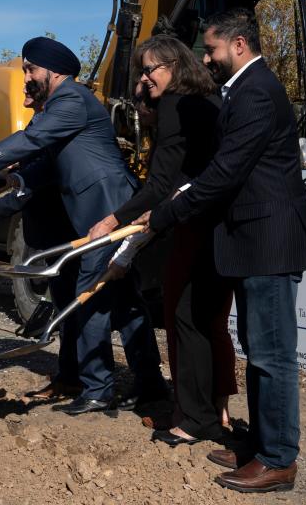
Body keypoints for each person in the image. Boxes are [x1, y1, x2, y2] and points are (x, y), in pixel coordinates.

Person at [135, 8, 306, 493]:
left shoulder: (257, 91)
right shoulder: (239, 92)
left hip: (270, 241)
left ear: (239, 45)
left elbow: (224, 173)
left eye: (213, 49)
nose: (207, 58)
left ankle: (279, 459)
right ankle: (260, 445)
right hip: (251, 241)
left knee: (273, 355)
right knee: (259, 349)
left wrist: (162, 215)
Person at [0, 36, 166, 415]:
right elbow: (45, 164)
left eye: (31, 69)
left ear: (54, 72)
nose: (26, 76)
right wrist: (16, 180)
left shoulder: (71, 100)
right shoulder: (58, 106)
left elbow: (32, 140)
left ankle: (98, 389)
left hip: (107, 210)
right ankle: (146, 385)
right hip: (92, 214)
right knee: (121, 302)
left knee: (89, 298)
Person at [88, 34, 235, 447]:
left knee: (184, 319)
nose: (146, 79)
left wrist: (113, 219)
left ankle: (190, 418)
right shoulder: (210, 99)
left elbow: (161, 184)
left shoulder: (176, 104)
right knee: (209, 322)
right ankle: (211, 410)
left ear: (172, 66)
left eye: (150, 70)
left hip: (194, 224)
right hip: (219, 222)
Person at [0, 95, 81, 401]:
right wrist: (9, 177)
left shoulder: (52, 128)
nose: (24, 81)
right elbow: (26, 177)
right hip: (51, 234)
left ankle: (89, 380)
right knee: (68, 309)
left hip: (64, 230)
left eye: (30, 72)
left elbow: (32, 187)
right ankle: (71, 376)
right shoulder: (40, 122)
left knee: (77, 310)